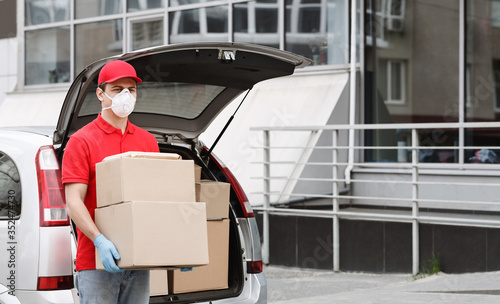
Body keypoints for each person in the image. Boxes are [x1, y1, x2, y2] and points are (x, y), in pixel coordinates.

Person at [62, 60, 159, 304]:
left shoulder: (148, 142)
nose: (126, 95)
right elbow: (73, 203)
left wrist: (177, 250)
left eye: (132, 90)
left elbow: (156, 201)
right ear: (100, 94)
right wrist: (99, 240)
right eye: (117, 90)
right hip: (96, 261)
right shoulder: (81, 141)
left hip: (138, 260)